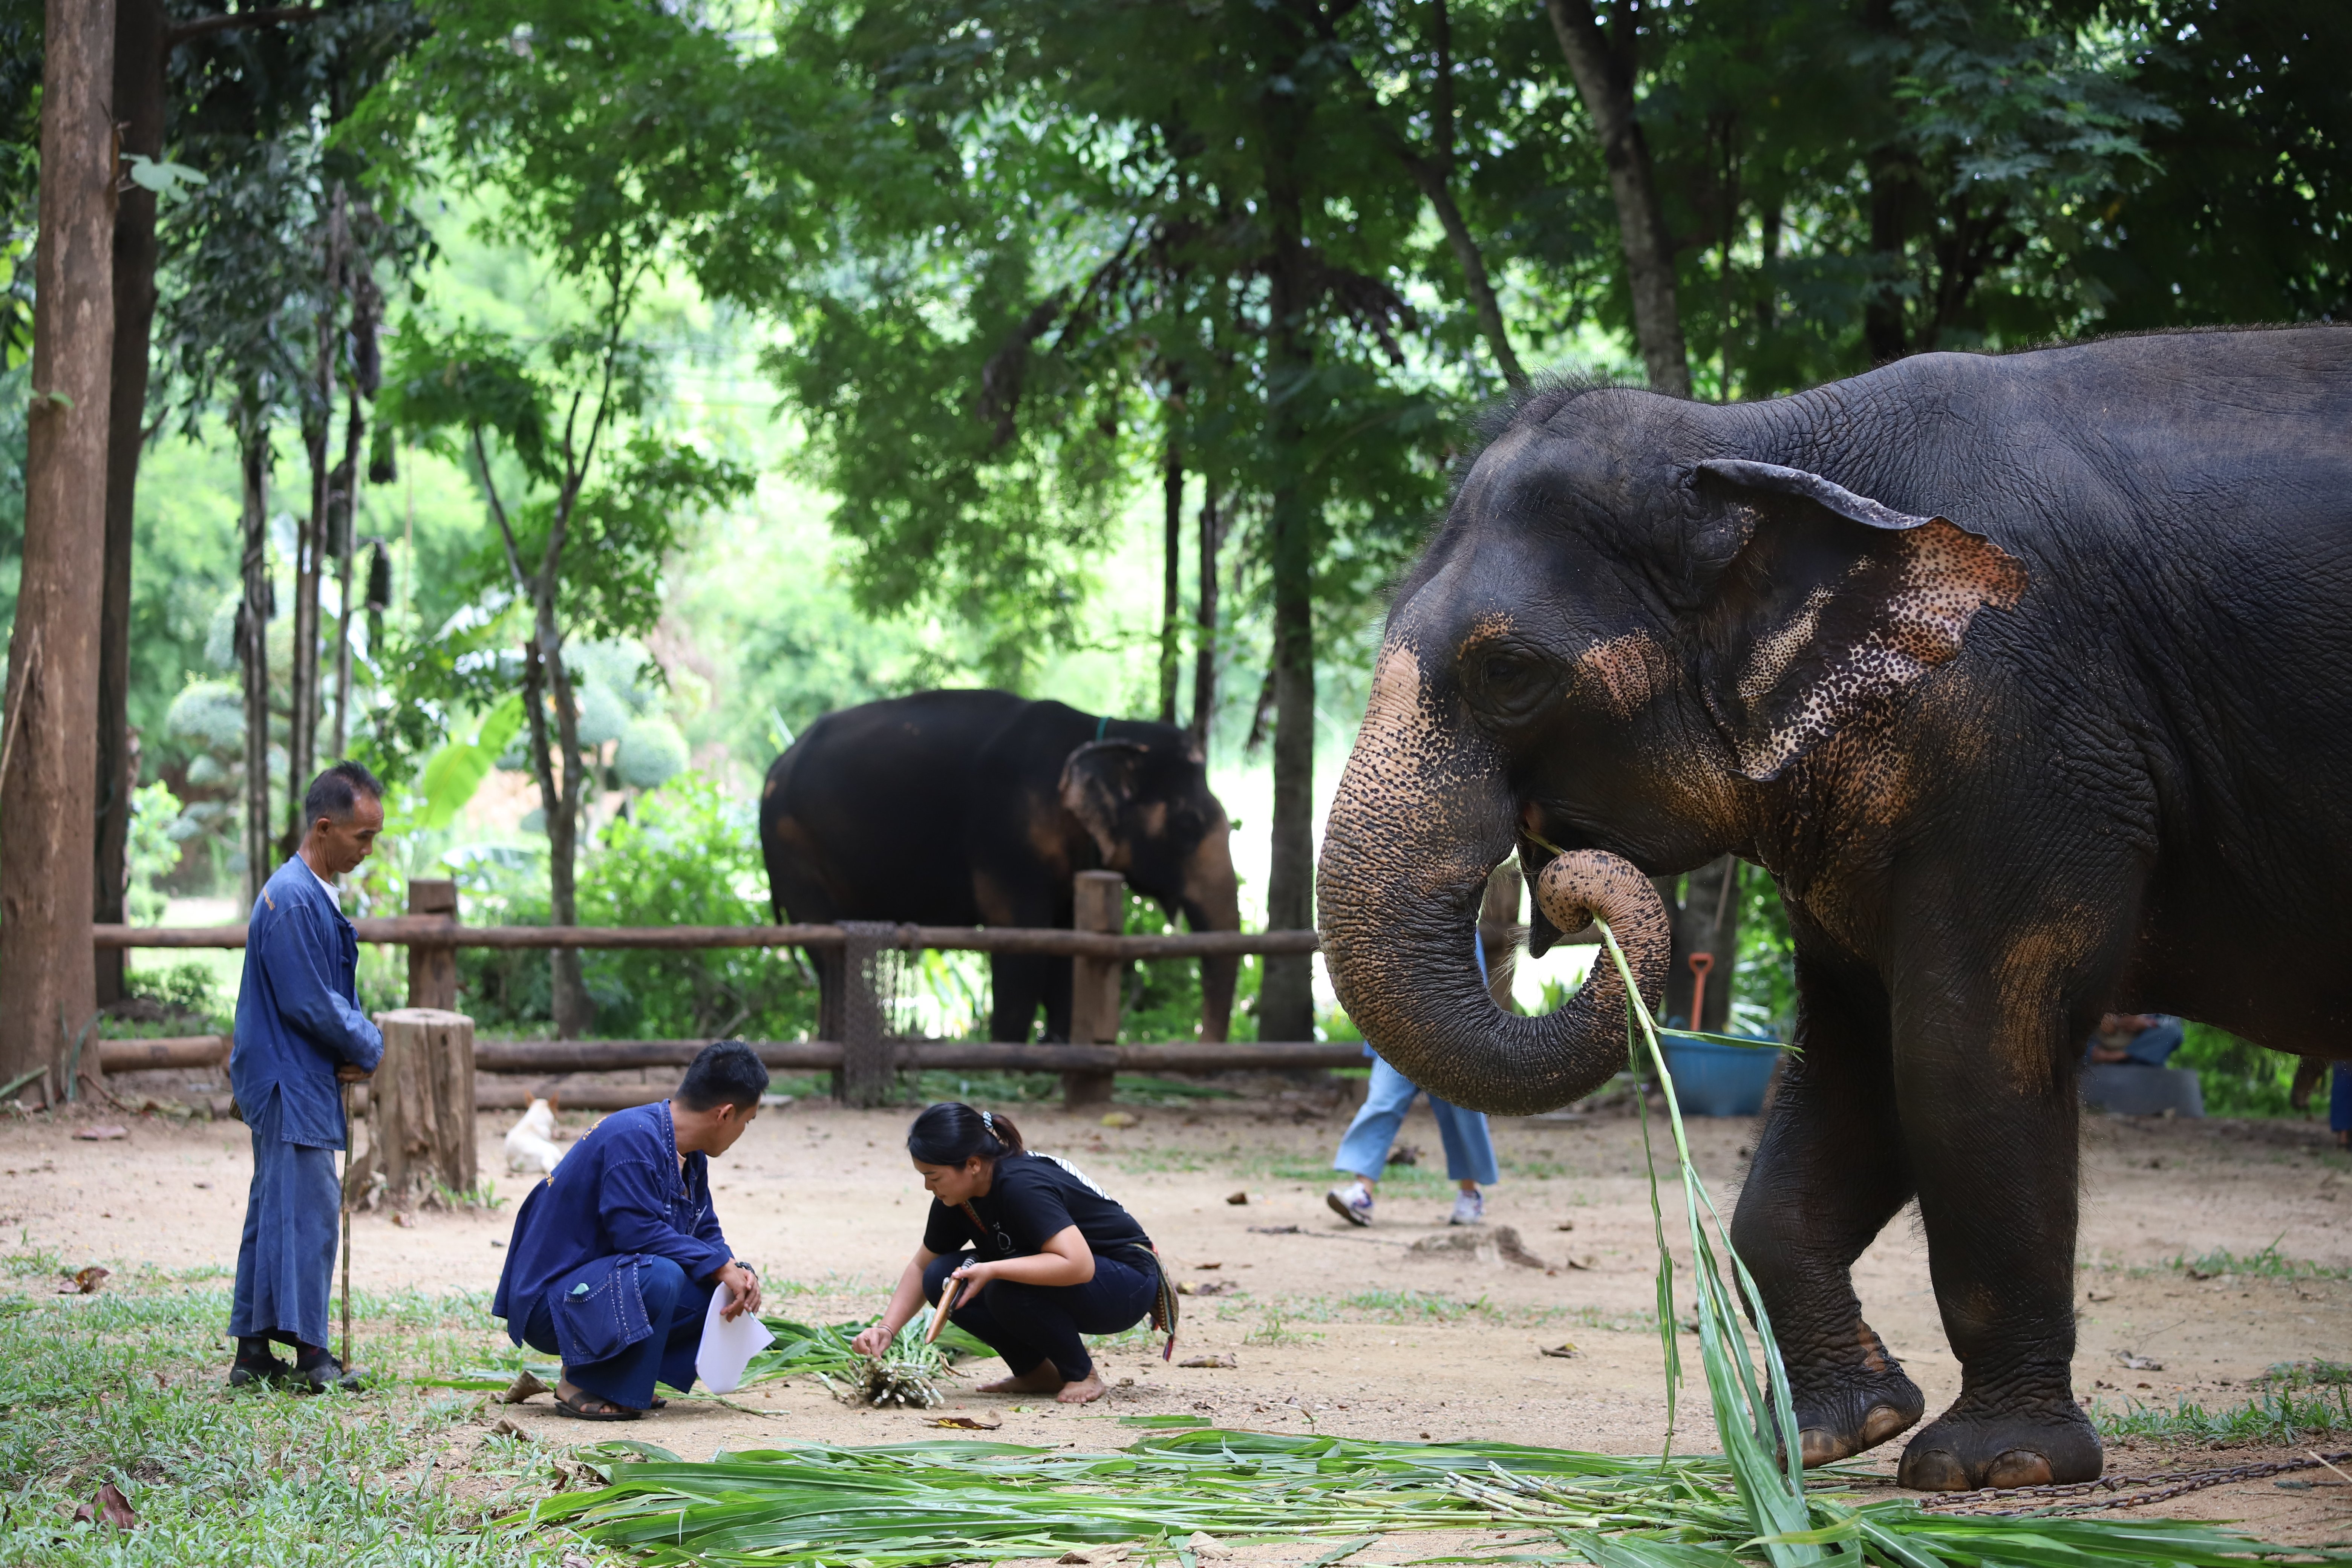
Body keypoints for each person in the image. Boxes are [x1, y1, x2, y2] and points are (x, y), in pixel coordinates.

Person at [492, 1040, 769, 1420]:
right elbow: (635, 1234)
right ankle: (579, 1378)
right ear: (725, 1114)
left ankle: (620, 1375)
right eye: (746, 1121)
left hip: (599, 1291)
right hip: (551, 1306)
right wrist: (718, 1263)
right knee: (663, 1274)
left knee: (717, 1289)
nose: (743, 1131)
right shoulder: (633, 1136)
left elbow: (705, 1229)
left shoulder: (691, 1155)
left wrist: (735, 1270)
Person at [228, 760, 388, 1392]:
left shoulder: (305, 891)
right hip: (288, 1080)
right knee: (308, 1213)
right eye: (362, 837)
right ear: (325, 828)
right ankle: (314, 1356)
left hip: (289, 1073)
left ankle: (253, 1350)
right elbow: (310, 1002)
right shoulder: (295, 899)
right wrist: (368, 1042)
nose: (368, 850)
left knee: (275, 1209)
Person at [856, 1104, 1172, 1406]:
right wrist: (886, 1330)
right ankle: (1037, 1374)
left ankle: (1082, 1374)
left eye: (934, 1176)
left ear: (973, 1164)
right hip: (1080, 1279)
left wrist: (994, 1270)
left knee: (1004, 1284)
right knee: (940, 1277)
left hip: (1125, 1283)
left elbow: (1079, 1265)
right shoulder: (958, 1196)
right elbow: (921, 1266)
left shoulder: (1021, 1184)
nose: (928, 1187)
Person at [1326, 931, 1501, 1228]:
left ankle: (1470, 1194)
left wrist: (1472, 1037)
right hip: (1398, 1033)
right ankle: (1362, 1195)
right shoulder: (1391, 915)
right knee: (1382, 1103)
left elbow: (1475, 983)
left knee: (1464, 1115)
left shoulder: (1462, 922)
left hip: (1452, 1036)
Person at [2084, 1013, 2186, 1067]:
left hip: (2141, 1051)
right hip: (2101, 1042)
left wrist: (2146, 1024)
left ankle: (2116, 1056)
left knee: (2174, 1032)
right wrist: (2114, 1022)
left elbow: (2172, 1024)